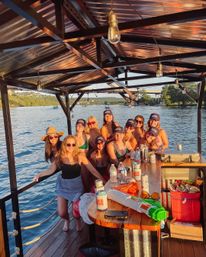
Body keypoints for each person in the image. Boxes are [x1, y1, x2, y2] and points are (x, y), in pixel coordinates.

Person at [34, 135, 105, 232]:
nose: (71, 147)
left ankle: (77, 221)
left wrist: (103, 180)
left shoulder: (80, 156)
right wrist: (40, 174)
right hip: (63, 186)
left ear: (76, 145)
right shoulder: (59, 156)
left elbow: (92, 170)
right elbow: (51, 170)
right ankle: (66, 220)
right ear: (64, 145)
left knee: (76, 212)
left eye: (73, 144)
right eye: (68, 145)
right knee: (61, 212)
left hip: (76, 186)